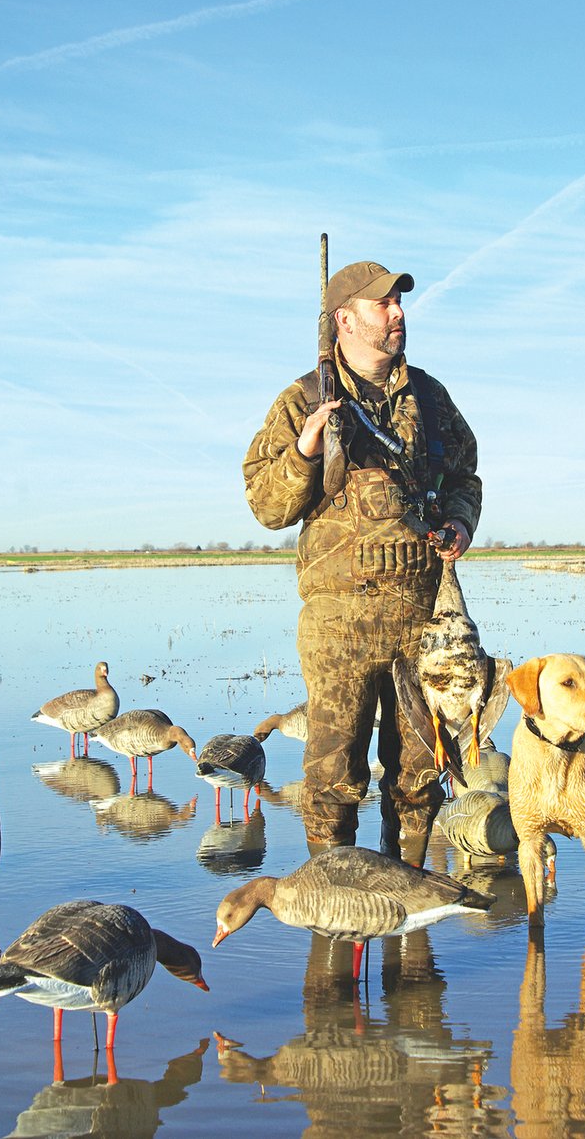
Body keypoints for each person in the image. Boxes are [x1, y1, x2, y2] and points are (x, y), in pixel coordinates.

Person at [244, 259, 481, 867]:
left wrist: (458, 522)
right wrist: (305, 450)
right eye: (384, 305)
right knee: (333, 771)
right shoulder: (301, 400)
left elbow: (465, 476)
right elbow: (266, 506)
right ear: (344, 319)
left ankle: (409, 899)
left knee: (420, 766)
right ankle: (336, 914)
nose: (398, 313)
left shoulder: (428, 397)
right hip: (336, 620)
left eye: (399, 304)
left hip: (422, 613)